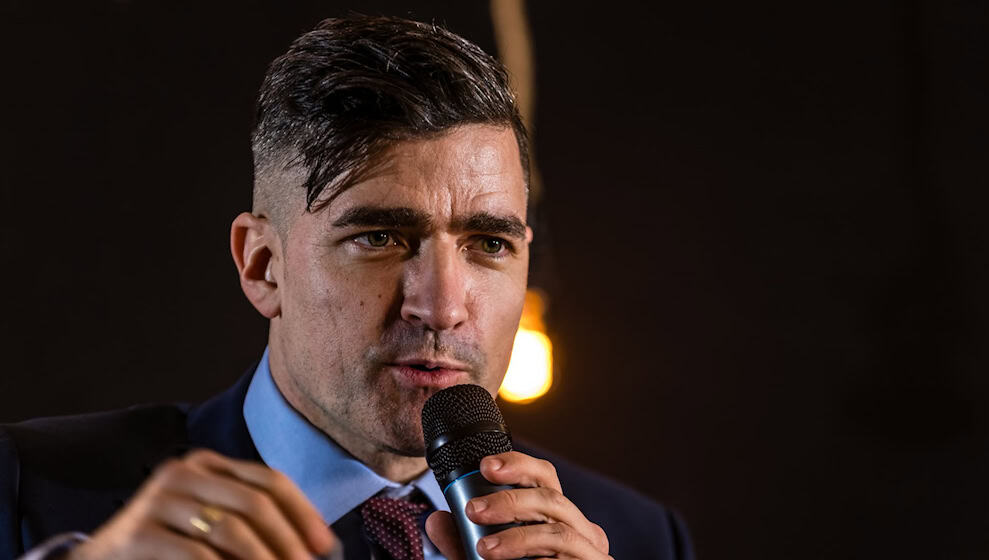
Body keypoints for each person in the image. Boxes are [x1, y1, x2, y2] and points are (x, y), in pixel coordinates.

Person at [0, 15, 693, 560]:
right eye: (380, 238)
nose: (442, 307)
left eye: (488, 244)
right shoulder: (30, 492)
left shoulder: (636, 539)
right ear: (262, 265)